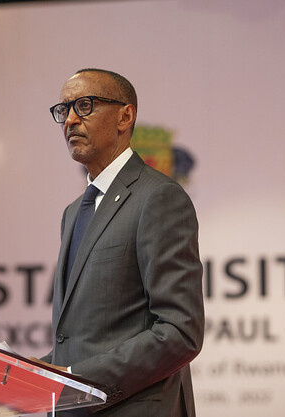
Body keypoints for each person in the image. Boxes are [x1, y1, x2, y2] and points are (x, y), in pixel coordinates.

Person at [38, 68, 204, 417]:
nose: (69, 120)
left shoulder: (157, 197)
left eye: (84, 106)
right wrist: (23, 375)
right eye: (63, 110)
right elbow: (80, 342)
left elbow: (179, 331)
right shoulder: (73, 213)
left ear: (124, 116)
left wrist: (77, 382)